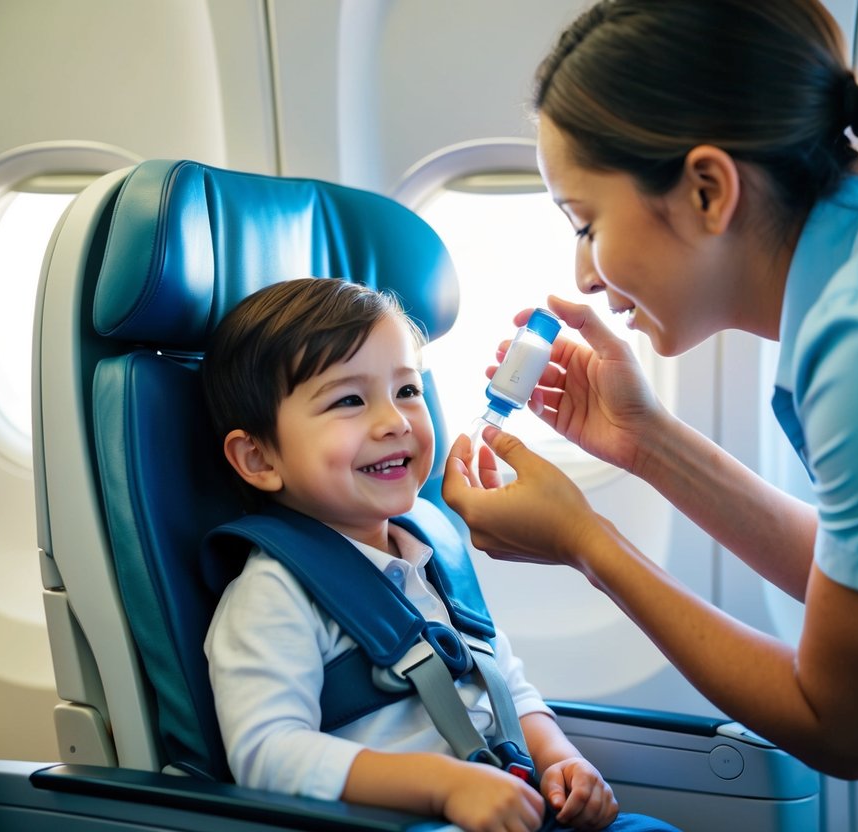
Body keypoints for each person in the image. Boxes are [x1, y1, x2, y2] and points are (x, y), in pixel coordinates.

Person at [442, 0, 858, 781]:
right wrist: (647, 443)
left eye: (584, 223)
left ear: (708, 190)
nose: (582, 272)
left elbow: (844, 729)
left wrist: (588, 544)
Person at [201, 278, 674, 832]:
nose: (396, 421)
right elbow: (267, 754)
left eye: (407, 391)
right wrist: (445, 786)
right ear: (258, 458)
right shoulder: (273, 594)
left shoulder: (432, 553)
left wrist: (559, 758)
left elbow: (503, 682)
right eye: (349, 400)